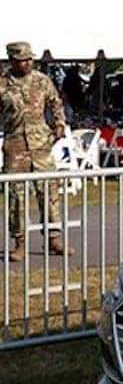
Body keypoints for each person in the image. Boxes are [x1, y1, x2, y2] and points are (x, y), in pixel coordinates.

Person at [2, 41, 72, 259]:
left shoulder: (42, 80)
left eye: (30, 59)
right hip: (16, 146)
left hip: (41, 143)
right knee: (16, 196)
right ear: (13, 60)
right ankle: (19, 241)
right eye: (23, 60)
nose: (28, 63)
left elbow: (55, 103)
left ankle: (54, 238)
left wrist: (60, 123)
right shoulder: (3, 84)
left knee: (49, 191)